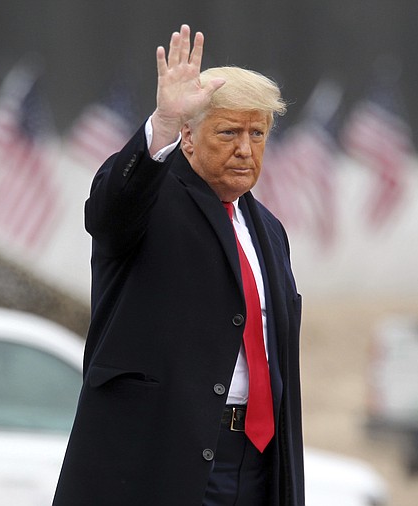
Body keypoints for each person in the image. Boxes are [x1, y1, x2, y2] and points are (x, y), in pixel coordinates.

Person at [54, 24, 304, 506]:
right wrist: (161, 124)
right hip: (158, 458)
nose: (245, 149)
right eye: (229, 132)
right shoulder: (151, 197)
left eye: (258, 133)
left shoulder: (269, 230)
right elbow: (110, 209)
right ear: (188, 136)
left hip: (255, 462)